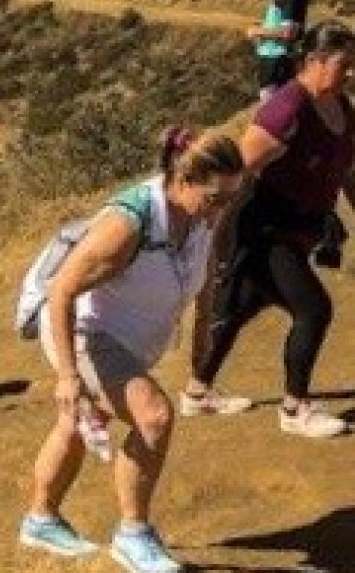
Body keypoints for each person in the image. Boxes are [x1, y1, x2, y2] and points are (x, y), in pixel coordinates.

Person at [21, 128, 243, 573]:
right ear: (183, 181)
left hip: (130, 340)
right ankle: (133, 534)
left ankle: (40, 518)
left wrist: (202, 333)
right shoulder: (128, 224)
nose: (222, 209)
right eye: (215, 198)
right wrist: (67, 375)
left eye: (230, 198)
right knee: (154, 416)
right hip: (87, 333)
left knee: (80, 422)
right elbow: (62, 290)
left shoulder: (200, 216)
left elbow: (209, 271)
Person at [187, 21, 355, 439]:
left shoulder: (343, 109)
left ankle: (196, 392)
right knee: (313, 309)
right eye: (343, 64)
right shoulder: (286, 109)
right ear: (313, 62)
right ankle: (295, 409)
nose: (351, 73)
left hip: (300, 229)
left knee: (243, 306)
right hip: (263, 230)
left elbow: (347, 170)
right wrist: (209, 238)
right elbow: (236, 175)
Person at [247, 0, 307, 100]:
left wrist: (257, 31)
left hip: (278, 59)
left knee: (273, 111)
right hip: (271, 58)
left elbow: (289, 32)